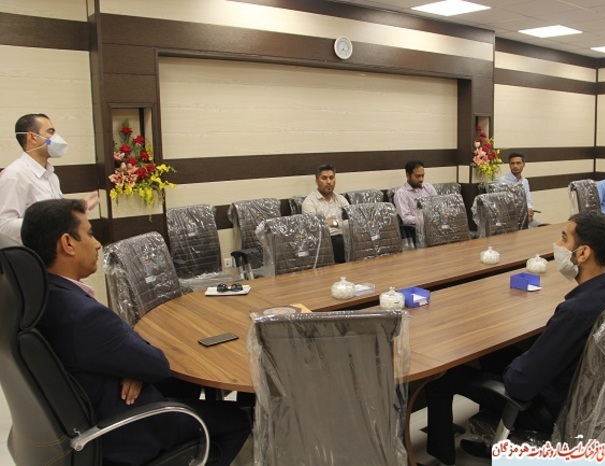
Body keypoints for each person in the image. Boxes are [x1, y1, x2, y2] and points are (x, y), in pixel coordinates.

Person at [20, 199, 250, 466]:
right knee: (238, 419)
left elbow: (128, 355)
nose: (97, 244)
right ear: (67, 244)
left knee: (185, 381)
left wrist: (131, 365)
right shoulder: (83, 315)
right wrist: (137, 365)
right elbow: (157, 364)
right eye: (90, 234)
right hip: (125, 428)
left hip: (92, 410)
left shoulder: (39, 298)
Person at [425, 211, 605, 465]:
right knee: (495, 354)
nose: (557, 245)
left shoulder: (574, 311)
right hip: (593, 399)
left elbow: (520, 385)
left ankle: (443, 459)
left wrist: (521, 364)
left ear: (583, 253)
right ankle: (493, 439)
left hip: (552, 410)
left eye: (564, 239)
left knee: (442, 379)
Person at [0, 113, 98, 243]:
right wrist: (46, 221)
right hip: (32, 253)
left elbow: (57, 214)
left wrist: (78, 209)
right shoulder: (15, 175)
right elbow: (4, 226)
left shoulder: (51, 176)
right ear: (33, 137)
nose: (57, 137)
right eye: (51, 132)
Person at [302, 164, 350, 263]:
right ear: (317, 181)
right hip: (324, 242)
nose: (328, 182)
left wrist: (333, 223)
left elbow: (352, 221)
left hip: (345, 236)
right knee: (339, 242)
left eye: (331, 178)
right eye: (324, 178)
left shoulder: (341, 199)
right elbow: (314, 228)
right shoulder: (309, 202)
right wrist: (337, 223)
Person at [394, 160, 437, 227]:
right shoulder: (401, 194)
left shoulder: (429, 187)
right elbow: (406, 219)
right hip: (415, 229)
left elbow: (437, 208)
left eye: (422, 175)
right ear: (408, 175)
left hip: (434, 225)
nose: (421, 179)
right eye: (417, 176)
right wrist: (425, 220)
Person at [498, 152, 537, 226]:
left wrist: (529, 210)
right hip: (510, 221)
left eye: (518, 163)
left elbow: (528, 200)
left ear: (524, 164)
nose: (515, 166)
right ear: (509, 165)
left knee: (543, 227)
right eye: (512, 163)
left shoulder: (525, 181)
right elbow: (503, 206)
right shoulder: (503, 181)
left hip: (525, 218)